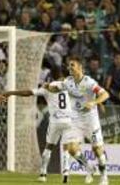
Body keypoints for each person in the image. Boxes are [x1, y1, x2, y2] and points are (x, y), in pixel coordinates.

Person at [3, 69, 95, 184]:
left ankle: (43, 174)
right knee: (69, 148)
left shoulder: (48, 88)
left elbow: (28, 92)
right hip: (69, 120)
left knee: (49, 147)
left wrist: (11, 93)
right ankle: (76, 170)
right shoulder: (69, 87)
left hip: (55, 121)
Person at [45, 56, 110, 185]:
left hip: (91, 120)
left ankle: (104, 176)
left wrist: (94, 102)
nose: (69, 67)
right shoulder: (68, 82)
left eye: (72, 65)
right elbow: (56, 88)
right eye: (69, 65)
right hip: (75, 119)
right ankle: (89, 168)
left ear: (80, 67)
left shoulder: (89, 82)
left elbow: (105, 94)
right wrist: (48, 87)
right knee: (72, 148)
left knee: (97, 149)